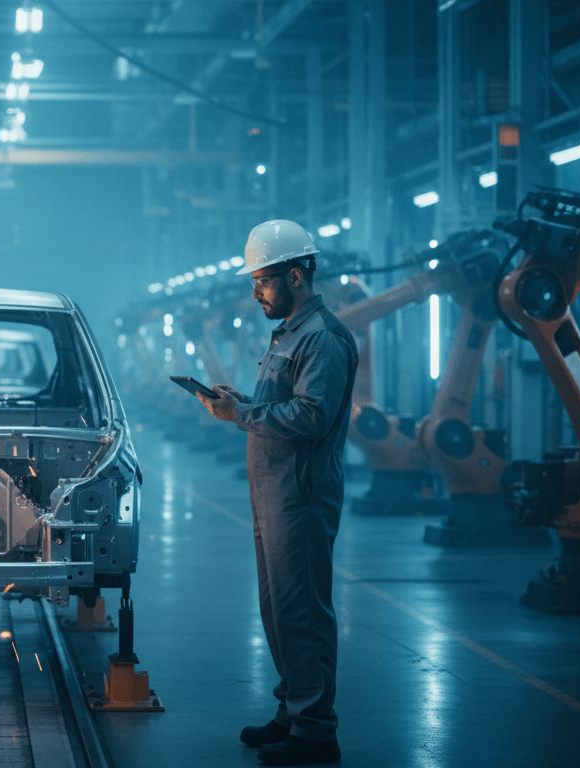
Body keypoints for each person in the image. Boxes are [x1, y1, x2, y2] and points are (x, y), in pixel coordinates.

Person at [195, 220, 357, 766]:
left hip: (300, 494)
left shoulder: (323, 338)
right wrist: (240, 400)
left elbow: (312, 416)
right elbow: (279, 406)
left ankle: (315, 731)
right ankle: (293, 710)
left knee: (303, 611)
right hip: (272, 493)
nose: (255, 291)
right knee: (277, 610)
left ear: (295, 275)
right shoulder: (289, 333)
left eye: (262, 280)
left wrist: (239, 413)